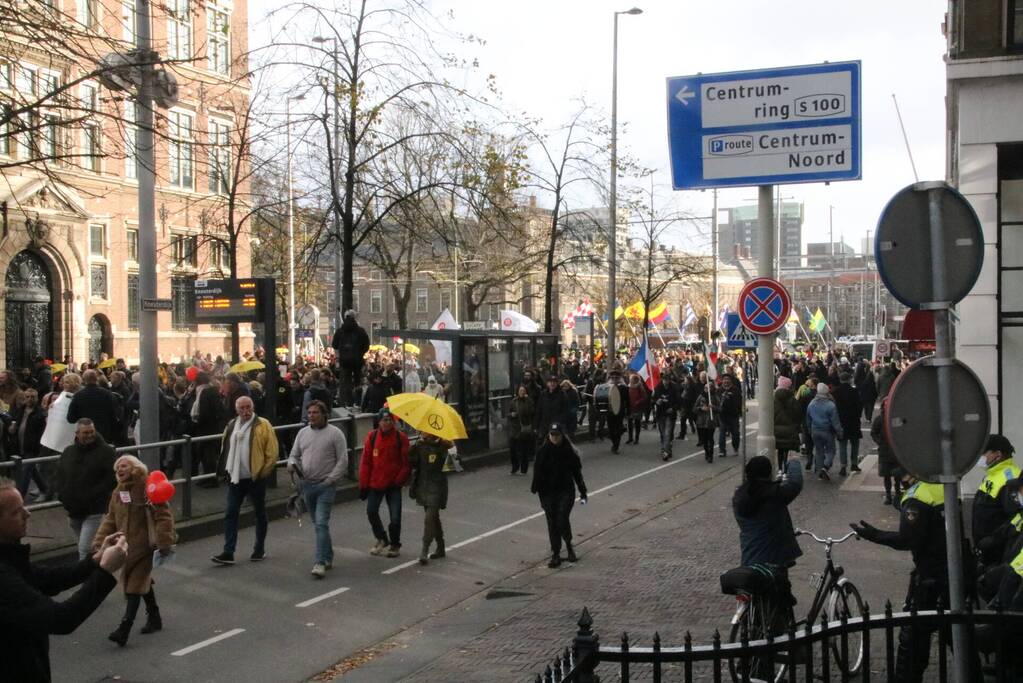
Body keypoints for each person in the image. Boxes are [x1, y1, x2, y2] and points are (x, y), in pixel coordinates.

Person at [851, 470, 980, 683]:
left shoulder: (917, 497)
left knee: (912, 643)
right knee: (961, 640)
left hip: (931, 579)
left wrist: (874, 535)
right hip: (958, 572)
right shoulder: (942, 487)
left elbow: (907, 539)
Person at [0, 478, 128, 683]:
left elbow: (48, 579)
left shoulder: (10, 558)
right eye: (16, 512)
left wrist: (95, 561)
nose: (28, 514)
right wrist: (105, 571)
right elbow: (61, 619)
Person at [92, 456, 176, 646]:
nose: (119, 469)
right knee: (141, 582)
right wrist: (99, 542)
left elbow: (163, 516)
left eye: (124, 466)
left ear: (135, 468)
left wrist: (164, 542)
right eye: (117, 467)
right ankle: (154, 617)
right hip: (127, 548)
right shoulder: (118, 492)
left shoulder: (147, 487)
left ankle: (124, 628)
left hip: (146, 547)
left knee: (133, 586)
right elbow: (110, 519)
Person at [211, 396, 279, 565]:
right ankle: (228, 551)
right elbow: (225, 446)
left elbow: (272, 452)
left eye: (248, 407)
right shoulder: (232, 425)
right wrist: (225, 470)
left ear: (253, 407)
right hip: (235, 477)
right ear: (237, 409)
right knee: (231, 513)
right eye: (242, 408)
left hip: (254, 477)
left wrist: (262, 473)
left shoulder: (263, 425)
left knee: (259, 512)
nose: (245, 411)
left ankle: (259, 548)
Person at [732, 453, 804, 613]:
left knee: (756, 590)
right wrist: (793, 462)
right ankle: (783, 629)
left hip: (750, 555)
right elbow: (795, 483)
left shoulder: (739, 497)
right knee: (780, 596)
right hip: (774, 556)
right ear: (768, 473)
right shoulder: (774, 494)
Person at [287, 400, 348, 578]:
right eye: (310, 413)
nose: (311, 416)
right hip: (307, 485)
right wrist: (292, 464)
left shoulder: (335, 434)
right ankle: (328, 555)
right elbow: (294, 454)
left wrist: (330, 480)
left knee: (321, 522)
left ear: (324, 414)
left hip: (325, 486)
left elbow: (343, 460)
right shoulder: (302, 433)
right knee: (318, 524)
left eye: (315, 413)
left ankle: (320, 561)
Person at [56, 419, 117, 560]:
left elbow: (110, 479)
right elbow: (59, 475)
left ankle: (87, 579)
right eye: (86, 433)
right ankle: (99, 572)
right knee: (88, 548)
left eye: (92, 432)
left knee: (84, 550)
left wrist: (94, 494)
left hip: (94, 509)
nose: (89, 435)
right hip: (73, 510)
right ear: (77, 434)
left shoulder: (106, 452)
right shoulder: (69, 451)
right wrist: (61, 494)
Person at [530, 423, 587, 568]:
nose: (554, 438)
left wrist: (583, 491)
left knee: (562, 518)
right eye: (552, 435)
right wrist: (535, 488)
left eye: (557, 435)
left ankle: (568, 545)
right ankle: (555, 553)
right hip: (548, 492)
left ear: (562, 435)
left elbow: (577, 473)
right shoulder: (543, 452)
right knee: (552, 521)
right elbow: (538, 472)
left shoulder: (569, 452)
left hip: (565, 490)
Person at [358, 408, 410, 558]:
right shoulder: (372, 437)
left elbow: (406, 463)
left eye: (389, 420)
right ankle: (381, 538)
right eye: (384, 420)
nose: (387, 422)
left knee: (395, 516)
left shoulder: (401, 438)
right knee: (371, 511)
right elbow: (366, 462)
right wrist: (363, 484)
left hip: (393, 484)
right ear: (379, 422)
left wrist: (399, 480)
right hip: (376, 482)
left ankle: (395, 544)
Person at [973, 434, 1020, 565]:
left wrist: (993, 539)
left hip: (1002, 552)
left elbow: (1018, 517)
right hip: (989, 551)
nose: (980, 457)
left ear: (997, 455)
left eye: (984, 452)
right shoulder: (992, 475)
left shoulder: (1011, 478)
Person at [408, 431, 452, 565]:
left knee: (429, 518)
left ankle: (424, 549)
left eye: (425, 430)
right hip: (423, 486)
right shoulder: (420, 445)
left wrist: (449, 451)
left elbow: (452, 466)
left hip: (437, 487)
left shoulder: (444, 445)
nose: (422, 432)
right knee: (433, 518)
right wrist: (413, 450)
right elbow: (413, 464)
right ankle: (441, 546)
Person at [10, 389, 48, 500]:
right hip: (21, 444)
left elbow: (42, 431)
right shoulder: (21, 410)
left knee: (26, 471)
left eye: (33, 397)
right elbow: (16, 422)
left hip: (32, 447)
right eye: (28, 397)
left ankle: (19, 498)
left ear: (37, 398)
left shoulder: (41, 413)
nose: (30, 399)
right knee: (32, 470)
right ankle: (44, 490)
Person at [65, 369, 121, 445]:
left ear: (84, 380)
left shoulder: (78, 396)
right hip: (105, 433)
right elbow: (115, 415)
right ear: (96, 379)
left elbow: (71, 419)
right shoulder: (108, 394)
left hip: (85, 434)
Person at [332, 310, 370, 406]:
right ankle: (357, 402)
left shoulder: (340, 331)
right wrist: (360, 353)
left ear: (345, 317)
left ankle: (348, 402)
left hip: (344, 361)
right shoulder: (361, 331)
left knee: (346, 381)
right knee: (358, 380)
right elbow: (366, 345)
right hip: (357, 360)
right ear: (355, 317)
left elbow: (334, 345)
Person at [805, 383, 842, 480]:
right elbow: (835, 421)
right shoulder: (831, 405)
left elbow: (808, 419)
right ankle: (825, 467)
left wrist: (809, 429)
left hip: (815, 430)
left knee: (819, 450)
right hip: (827, 430)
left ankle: (819, 470)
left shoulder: (812, 404)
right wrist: (839, 432)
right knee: (831, 451)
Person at [831, 371, 863, 477]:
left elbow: (833, 408)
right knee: (855, 444)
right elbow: (859, 406)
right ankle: (854, 463)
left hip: (841, 422)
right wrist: (857, 416)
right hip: (853, 421)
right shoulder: (854, 391)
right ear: (850, 379)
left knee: (842, 445)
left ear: (840, 380)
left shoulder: (836, 392)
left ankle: (843, 466)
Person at [773, 376, 803, 473]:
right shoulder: (792, 400)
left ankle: (780, 469)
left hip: (777, 429)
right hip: (790, 429)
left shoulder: (774, 400)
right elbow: (798, 414)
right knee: (787, 449)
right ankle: (786, 468)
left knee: (780, 450)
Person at [651, 374, 681, 461]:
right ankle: (668, 449)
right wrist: (657, 401)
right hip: (660, 414)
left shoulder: (674, 388)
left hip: (670, 414)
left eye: (667, 380)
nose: (666, 382)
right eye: (664, 380)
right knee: (663, 433)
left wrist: (673, 408)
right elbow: (652, 400)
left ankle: (664, 452)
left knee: (667, 433)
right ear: (662, 380)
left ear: (669, 380)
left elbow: (679, 401)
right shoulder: (658, 388)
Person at [508, 385, 535, 475]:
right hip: (515, 428)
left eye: (523, 390)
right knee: (513, 449)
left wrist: (521, 411)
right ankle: (515, 467)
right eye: (520, 390)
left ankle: (524, 469)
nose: (522, 392)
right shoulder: (513, 401)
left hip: (524, 428)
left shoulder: (529, 401)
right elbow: (508, 413)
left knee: (524, 450)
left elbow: (531, 412)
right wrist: (511, 414)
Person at [535, 375, 570, 440]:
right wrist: (536, 426)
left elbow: (566, 411)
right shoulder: (543, 394)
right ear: (547, 383)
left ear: (557, 383)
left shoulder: (562, 394)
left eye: (554, 382)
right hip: (544, 425)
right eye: (550, 382)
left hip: (557, 426)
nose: (552, 384)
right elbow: (539, 410)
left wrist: (560, 422)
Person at [694, 374, 719, 463]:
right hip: (701, 422)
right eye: (705, 388)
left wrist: (714, 407)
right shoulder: (700, 397)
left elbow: (720, 408)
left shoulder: (715, 397)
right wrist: (701, 408)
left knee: (710, 438)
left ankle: (710, 455)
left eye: (709, 388)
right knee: (704, 439)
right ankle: (706, 452)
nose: (707, 389)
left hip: (711, 422)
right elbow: (694, 409)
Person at [717, 374, 743, 457]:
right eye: (724, 379)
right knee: (722, 434)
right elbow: (716, 401)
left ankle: (735, 448)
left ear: (731, 381)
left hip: (733, 415)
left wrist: (740, 412)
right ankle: (722, 450)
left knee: (735, 433)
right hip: (722, 415)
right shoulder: (719, 390)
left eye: (728, 379)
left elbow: (739, 402)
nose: (726, 381)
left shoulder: (735, 390)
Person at [605, 371, 629, 454]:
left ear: (619, 378)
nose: (614, 379)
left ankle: (616, 446)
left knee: (618, 428)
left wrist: (628, 411)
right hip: (610, 411)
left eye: (616, 377)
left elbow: (627, 400)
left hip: (620, 411)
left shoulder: (624, 387)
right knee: (611, 429)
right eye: (613, 377)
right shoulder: (607, 387)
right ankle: (614, 443)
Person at [625, 374, 648, 446]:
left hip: (638, 408)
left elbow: (644, 397)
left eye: (631, 379)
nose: (630, 380)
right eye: (630, 379)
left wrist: (638, 401)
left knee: (637, 423)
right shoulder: (628, 386)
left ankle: (636, 438)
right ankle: (630, 438)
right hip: (630, 407)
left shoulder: (640, 387)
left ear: (635, 380)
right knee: (629, 423)